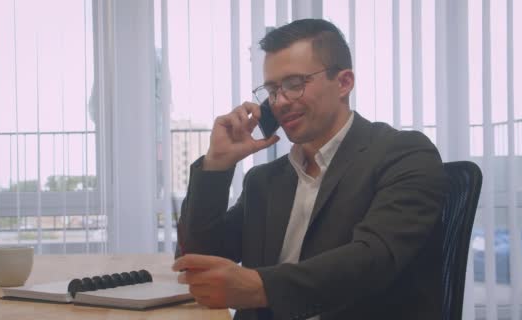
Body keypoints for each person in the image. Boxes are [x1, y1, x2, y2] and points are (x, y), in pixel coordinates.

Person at [172, 19, 447, 320]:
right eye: (271, 90)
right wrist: (216, 165)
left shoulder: (404, 154)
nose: (279, 102)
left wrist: (261, 287)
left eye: (294, 84)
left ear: (343, 82)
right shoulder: (265, 180)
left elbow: (374, 258)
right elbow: (197, 258)